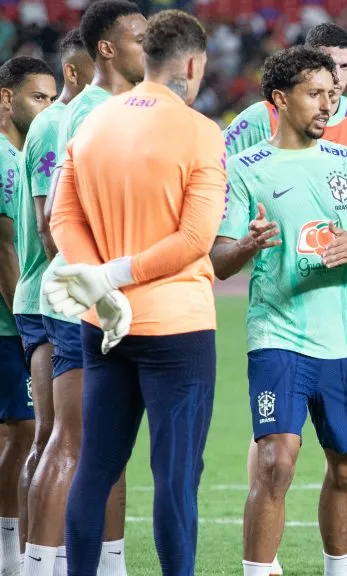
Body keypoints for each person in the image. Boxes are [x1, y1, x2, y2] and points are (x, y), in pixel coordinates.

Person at [44, 10, 226, 575]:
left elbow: (58, 217)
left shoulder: (90, 124)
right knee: (174, 475)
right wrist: (113, 276)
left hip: (105, 326)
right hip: (177, 327)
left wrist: (98, 282)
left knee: (95, 466)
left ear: (146, 57)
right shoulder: (200, 130)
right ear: (192, 64)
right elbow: (196, 239)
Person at [223, 24, 347, 572]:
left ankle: (338, 566)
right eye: (316, 93)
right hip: (276, 333)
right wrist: (247, 246)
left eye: (333, 93)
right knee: (276, 462)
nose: (330, 104)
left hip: (341, 334)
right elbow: (216, 261)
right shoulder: (245, 168)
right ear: (280, 100)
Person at [39, 3, 149, 571]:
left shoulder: (121, 107)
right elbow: (54, 223)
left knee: (106, 445)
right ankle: (43, 563)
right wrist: (101, 291)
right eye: (138, 38)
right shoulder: (90, 113)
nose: (149, 46)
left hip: (107, 298)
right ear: (106, 48)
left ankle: (109, 563)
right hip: (89, 300)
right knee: (77, 442)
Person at [14, 29, 99, 576]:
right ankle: (31, 560)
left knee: (57, 437)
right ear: (76, 70)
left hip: (60, 294)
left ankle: (38, 556)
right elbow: (51, 232)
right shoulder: (55, 125)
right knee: (54, 436)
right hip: (54, 297)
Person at [0, 55, 54, 576]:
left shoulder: (24, 153)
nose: (47, 107)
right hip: (17, 317)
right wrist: (22, 323)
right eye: (39, 97)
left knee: (23, 432)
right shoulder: (5, 158)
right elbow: (5, 249)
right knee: (28, 431)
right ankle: (18, 553)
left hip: (17, 314)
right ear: (5, 98)